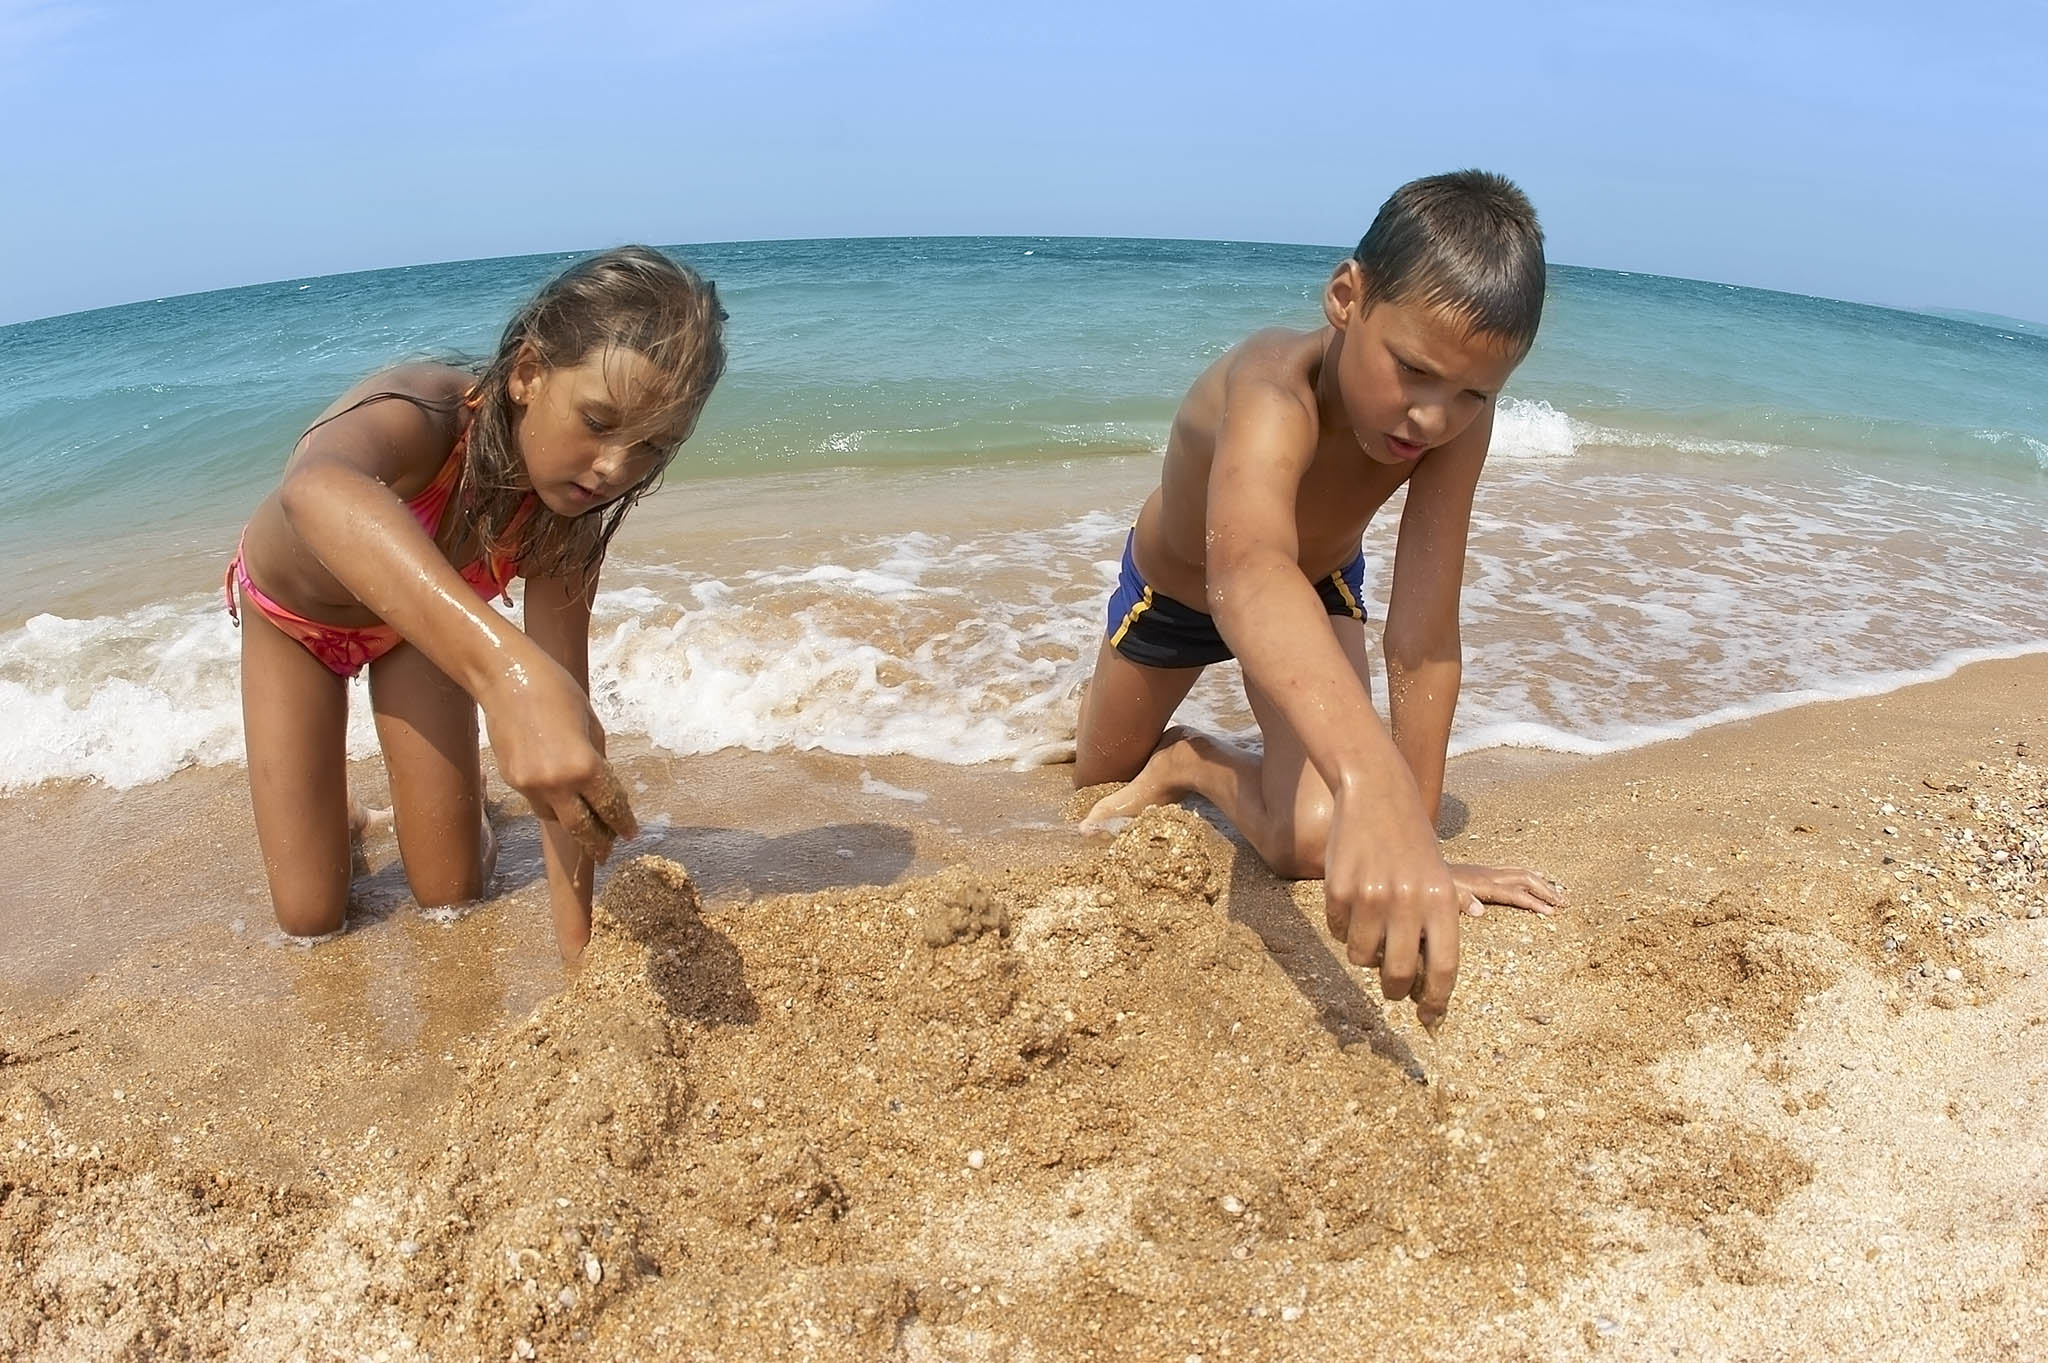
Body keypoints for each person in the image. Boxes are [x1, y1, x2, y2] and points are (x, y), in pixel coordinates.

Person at [1073, 171, 1561, 1030]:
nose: (1431, 416)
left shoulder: (1452, 425)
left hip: (1319, 579)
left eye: (1473, 393)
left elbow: (1423, 633)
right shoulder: (1273, 388)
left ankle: (1201, 766)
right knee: (1097, 778)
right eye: (1412, 368)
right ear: (1346, 298)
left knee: (1308, 841)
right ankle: (1169, 751)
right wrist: (1368, 772)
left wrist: (1415, 836)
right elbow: (1248, 569)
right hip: (1185, 589)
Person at [226, 246, 726, 959]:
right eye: (597, 420)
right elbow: (313, 489)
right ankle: (345, 814)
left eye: (650, 447)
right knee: (312, 917)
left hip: (419, 635)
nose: (616, 466)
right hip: (293, 625)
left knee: (451, 892)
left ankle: (471, 820)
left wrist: (579, 956)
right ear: (527, 373)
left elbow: (565, 728)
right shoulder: (421, 417)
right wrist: (504, 677)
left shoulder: (570, 516)